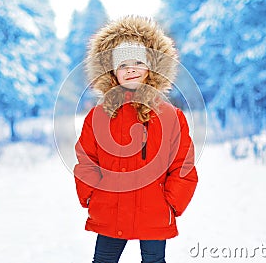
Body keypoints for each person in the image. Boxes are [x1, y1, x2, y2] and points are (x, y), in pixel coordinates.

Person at [74, 15, 198, 263]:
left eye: (138, 62)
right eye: (122, 64)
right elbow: (87, 160)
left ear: (151, 68)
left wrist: (171, 202)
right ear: (111, 72)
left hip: (154, 209)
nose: (130, 69)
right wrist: (91, 195)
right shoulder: (98, 116)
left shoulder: (170, 117)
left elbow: (183, 165)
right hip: (110, 210)